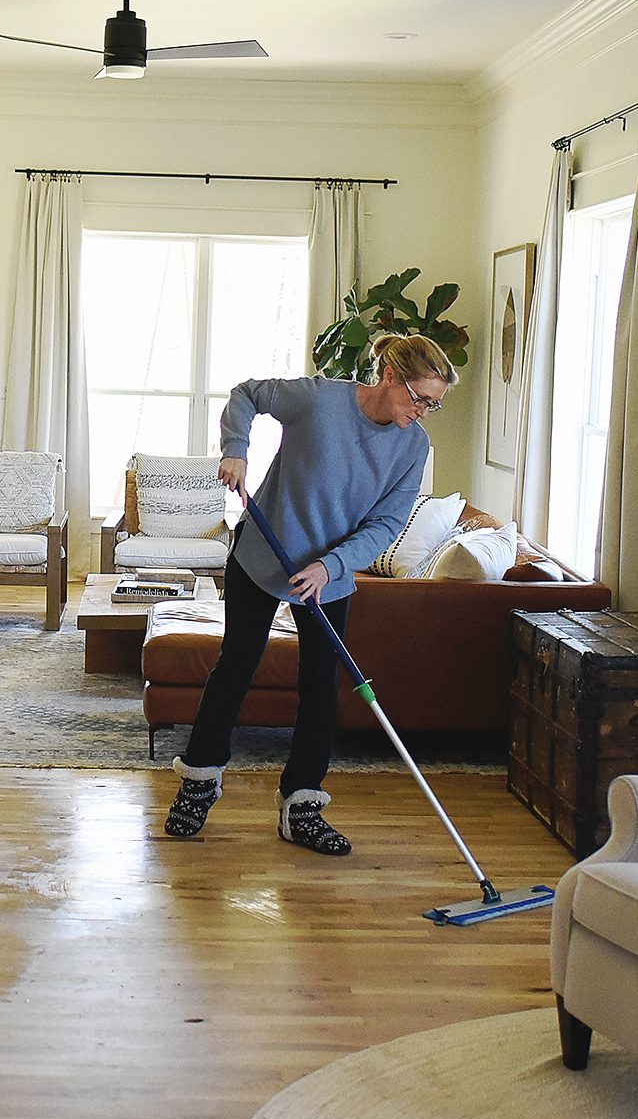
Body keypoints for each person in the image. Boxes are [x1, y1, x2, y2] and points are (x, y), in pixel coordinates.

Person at [163, 332, 458, 855]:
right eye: (421, 398)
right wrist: (236, 450)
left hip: (328, 577)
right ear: (391, 376)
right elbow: (247, 393)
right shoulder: (320, 400)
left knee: (322, 687)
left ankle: (301, 803)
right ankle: (200, 780)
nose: (426, 412)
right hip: (261, 558)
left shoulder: (413, 447)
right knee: (236, 667)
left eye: (435, 404)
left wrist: (332, 565)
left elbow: (387, 522)